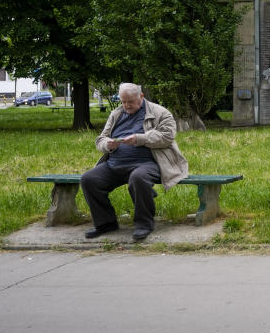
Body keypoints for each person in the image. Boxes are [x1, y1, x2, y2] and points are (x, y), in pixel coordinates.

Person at [80, 83, 189, 241]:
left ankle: (144, 224)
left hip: (149, 163)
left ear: (141, 96)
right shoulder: (116, 114)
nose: (126, 105)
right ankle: (105, 223)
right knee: (89, 179)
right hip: (115, 164)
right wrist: (108, 144)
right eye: (123, 101)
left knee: (138, 178)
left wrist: (140, 139)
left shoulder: (160, 113)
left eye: (130, 101)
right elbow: (100, 140)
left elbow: (167, 137)